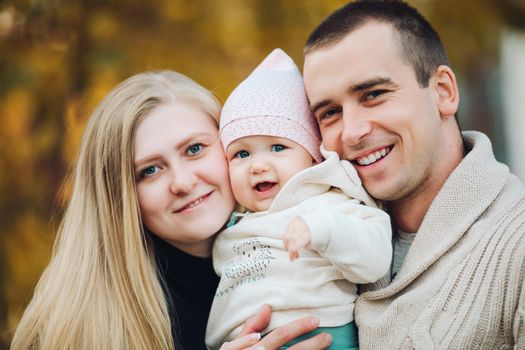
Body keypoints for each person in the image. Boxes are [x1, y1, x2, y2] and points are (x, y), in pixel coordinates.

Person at [10, 70, 332, 350]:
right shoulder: (78, 322)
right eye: (149, 171)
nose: (182, 182)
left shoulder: (315, 238)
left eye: (194, 149)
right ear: (118, 197)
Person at [297, 0, 524, 349]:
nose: (352, 132)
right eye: (330, 113)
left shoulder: (515, 245)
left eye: (373, 94)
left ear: (443, 93)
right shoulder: (308, 241)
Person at [205, 48, 392, 349]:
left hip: (322, 336)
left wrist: (320, 229)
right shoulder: (232, 223)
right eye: (242, 153)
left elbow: (375, 259)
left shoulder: (329, 202)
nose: (258, 165)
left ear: (313, 158)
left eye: (278, 148)